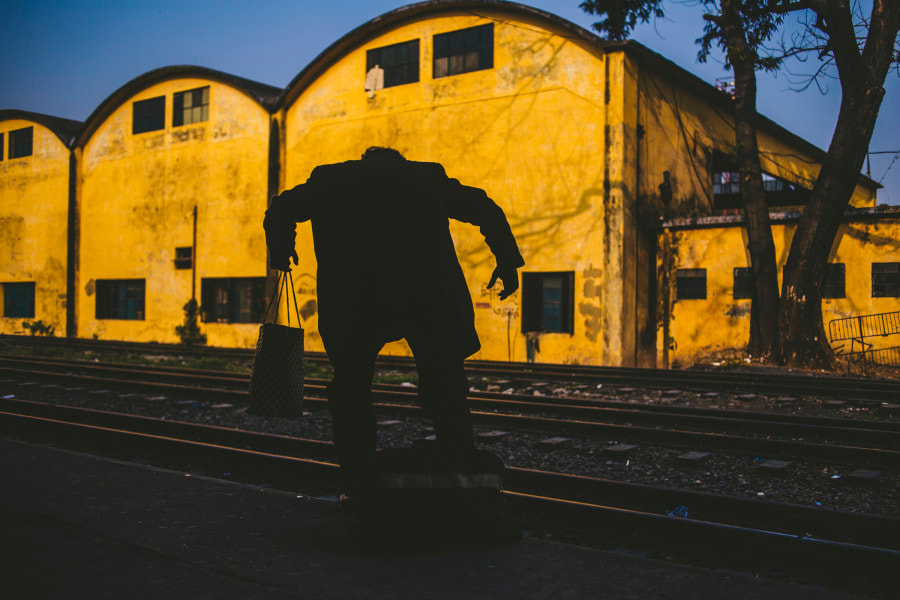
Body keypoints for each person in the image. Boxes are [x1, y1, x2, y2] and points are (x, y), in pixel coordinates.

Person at [263, 146, 524, 497]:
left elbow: (280, 210)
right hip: (429, 298)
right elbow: (486, 210)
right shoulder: (427, 178)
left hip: (355, 299)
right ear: (400, 163)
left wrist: (282, 252)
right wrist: (507, 261)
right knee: (446, 385)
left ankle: (358, 478)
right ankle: (461, 475)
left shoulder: (329, 180)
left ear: (363, 161)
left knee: (351, 389)